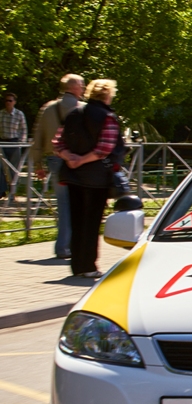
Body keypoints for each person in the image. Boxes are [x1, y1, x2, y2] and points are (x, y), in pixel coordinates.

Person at [54, 79, 125, 278]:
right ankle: (89, 266)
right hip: (97, 178)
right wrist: (83, 160)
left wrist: (71, 158)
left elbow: (57, 142)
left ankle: (77, 266)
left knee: (77, 221)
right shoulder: (107, 117)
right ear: (107, 95)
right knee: (92, 223)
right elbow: (105, 148)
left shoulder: (73, 114)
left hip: (73, 176)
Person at [31, 74, 84, 258]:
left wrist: (38, 164)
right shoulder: (83, 109)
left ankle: (62, 247)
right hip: (78, 162)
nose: (83, 89)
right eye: (81, 85)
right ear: (74, 88)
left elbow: (38, 137)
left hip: (54, 161)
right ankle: (74, 245)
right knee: (79, 203)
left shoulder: (47, 109)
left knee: (63, 204)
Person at [1, 92, 28, 199]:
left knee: (13, 169)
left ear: (14, 102)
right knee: (1, 168)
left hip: (14, 142)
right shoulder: (1, 114)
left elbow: (23, 129)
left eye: (10, 100)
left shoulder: (19, 114)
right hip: (2, 143)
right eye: (6, 100)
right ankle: (2, 190)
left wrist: (21, 143)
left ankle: (13, 192)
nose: (8, 103)